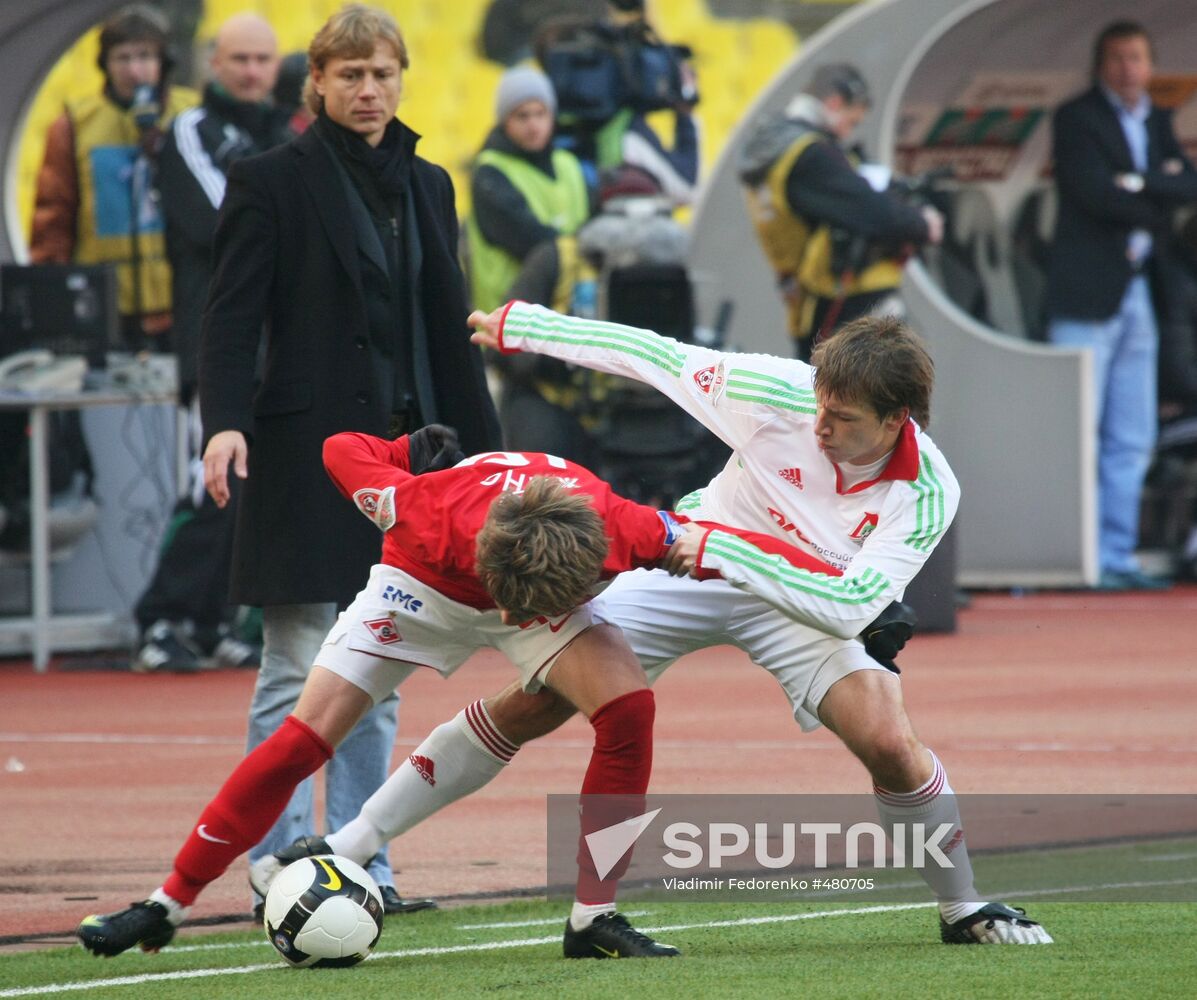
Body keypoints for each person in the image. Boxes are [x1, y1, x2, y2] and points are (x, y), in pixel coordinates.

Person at [264, 302, 1053, 949]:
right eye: (817, 405)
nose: (817, 428)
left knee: (885, 740)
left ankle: (963, 908)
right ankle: (348, 849)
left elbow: (848, 607)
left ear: (896, 421)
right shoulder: (779, 391)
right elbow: (653, 354)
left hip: (798, 596)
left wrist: (729, 553)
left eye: (840, 420)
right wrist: (526, 327)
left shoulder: (928, 492)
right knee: (541, 699)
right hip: (692, 567)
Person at [77, 425, 816, 958]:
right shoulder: (415, 507)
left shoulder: (626, 527)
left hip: (539, 574)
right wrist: (403, 450)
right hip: (421, 585)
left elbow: (745, 553)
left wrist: (864, 604)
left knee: (628, 708)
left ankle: (593, 920)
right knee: (304, 736)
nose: (513, 626)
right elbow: (340, 446)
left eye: (525, 616)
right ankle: (164, 903)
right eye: (513, 608)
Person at [196, 4, 501, 915]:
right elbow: (231, 317)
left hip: (408, 463)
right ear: (317, 85)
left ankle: (364, 866)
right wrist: (223, 421)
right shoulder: (266, 180)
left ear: (401, 78)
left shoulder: (430, 183)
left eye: (383, 74)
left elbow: (447, 331)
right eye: (351, 75)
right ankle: (283, 869)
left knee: (384, 663)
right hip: (302, 454)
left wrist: (487, 458)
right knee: (295, 664)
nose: (370, 91)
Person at [130, 12, 294, 674]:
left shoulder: (288, 133)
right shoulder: (192, 131)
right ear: (214, 66)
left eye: (263, 60)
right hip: (217, 339)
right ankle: (160, 619)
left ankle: (215, 621)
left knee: (255, 488)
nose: (253, 71)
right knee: (211, 488)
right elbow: (222, 219)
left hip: (279, 341)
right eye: (240, 60)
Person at [1045, 20, 1197, 591]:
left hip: (1139, 289)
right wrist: (1154, 186)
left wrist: (1138, 183)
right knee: (1077, 427)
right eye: (1115, 58)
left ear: (1150, 65)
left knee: (1131, 431)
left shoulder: (1156, 120)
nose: (1126, 68)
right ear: (1099, 64)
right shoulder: (1076, 117)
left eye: (1135, 57)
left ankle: (1118, 553)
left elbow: (1188, 186)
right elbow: (1092, 193)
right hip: (1087, 294)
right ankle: (1076, 557)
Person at [737, 63, 943, 360]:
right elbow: (869, 211)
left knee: (822, 392)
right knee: (879, 389)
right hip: (843, 298)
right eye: (852, 121)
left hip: (806, 299)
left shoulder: (775, 145)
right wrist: (922, 223)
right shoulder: (809, 155)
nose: (849, 132)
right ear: (834, 103)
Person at [30, 4, 198, 348]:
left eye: (145, 56)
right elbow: (53, 219)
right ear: (105, 64)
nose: (135, 70)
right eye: (123, 58)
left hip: (182, 303)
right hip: (103, 307)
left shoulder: (192, 115)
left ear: (164, 61)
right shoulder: (75, 125)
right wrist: (51, 299)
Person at [465, 65, 593, 461]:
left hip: (567, 325)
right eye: (523, 116)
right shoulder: (490, 173)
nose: (535, 125)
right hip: (511, 329)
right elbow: (535, 242)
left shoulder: (570, 167)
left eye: (541, 114)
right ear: (505, 120)